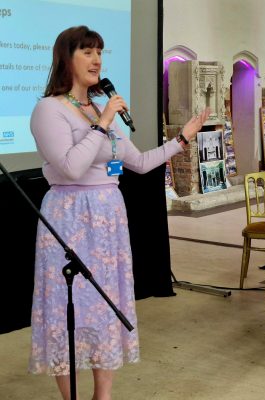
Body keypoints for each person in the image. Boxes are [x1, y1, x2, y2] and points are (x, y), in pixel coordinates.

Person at [28, 26, 210, 400]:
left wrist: (183, 138)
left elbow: (140, 163)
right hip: (70, 217)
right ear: (67, 58)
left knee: (104, 302)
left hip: (109, 218)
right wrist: (103, 122)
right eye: (87, 52)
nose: (97, 60)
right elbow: (70, 167)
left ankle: (103, 395)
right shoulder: (49, 109)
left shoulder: (98, 107)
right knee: (69, 308)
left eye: (100, 52)